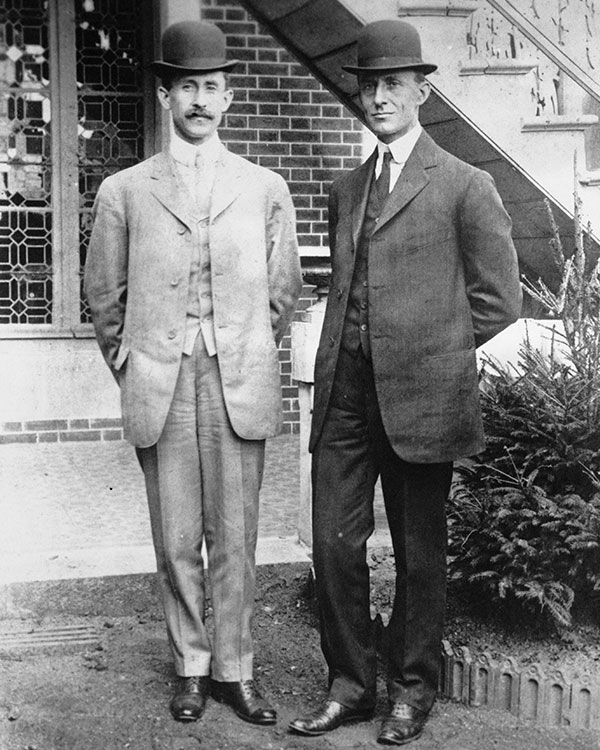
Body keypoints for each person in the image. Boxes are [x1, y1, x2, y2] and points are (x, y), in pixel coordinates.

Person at [289, 19, 522, 746]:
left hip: (423, 400)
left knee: (421, 555)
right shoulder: (347, 187)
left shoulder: (464, 184)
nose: (379, 95)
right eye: (369, 83)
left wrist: (429, 355)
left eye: (393, 83)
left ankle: (414, 689)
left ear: (422, 90)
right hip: (346, 400)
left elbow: (500, 299)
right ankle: (352, 685)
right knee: (333, 545)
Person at [85, 21, 301, 726]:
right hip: (162, 380)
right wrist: (133, 362)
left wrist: (244, 348)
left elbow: (282, 290)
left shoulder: (266, 187)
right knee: (176, 537)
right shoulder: (124, 190)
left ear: (229, 97)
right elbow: (104, 298)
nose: (201, 100)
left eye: (212, 87)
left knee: (235, 536)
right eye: (188, 88)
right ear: (165, 94)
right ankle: (191, 665)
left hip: (237, 374)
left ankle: (235, 668)